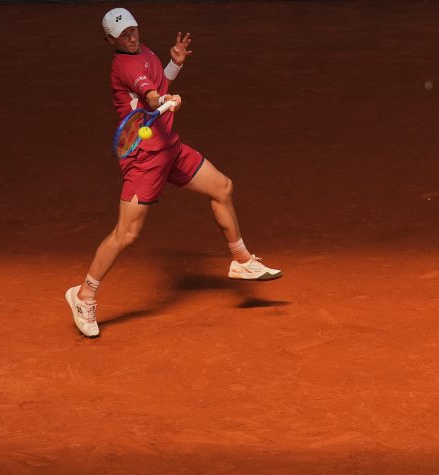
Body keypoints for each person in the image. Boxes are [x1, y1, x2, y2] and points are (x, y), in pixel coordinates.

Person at [65, 7, 282, 338]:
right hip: (144, 160)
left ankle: (241, 259)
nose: (132, 36)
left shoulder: (146, 52)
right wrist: (164, 99)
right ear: (111, 40)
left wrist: (175, 64)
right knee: (127, 235)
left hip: (170, 148)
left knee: (222, 187)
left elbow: (158, 84)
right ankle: (84, 295)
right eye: (124, 34)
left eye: (133, 30)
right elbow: (151, 96)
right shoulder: (124, 66)